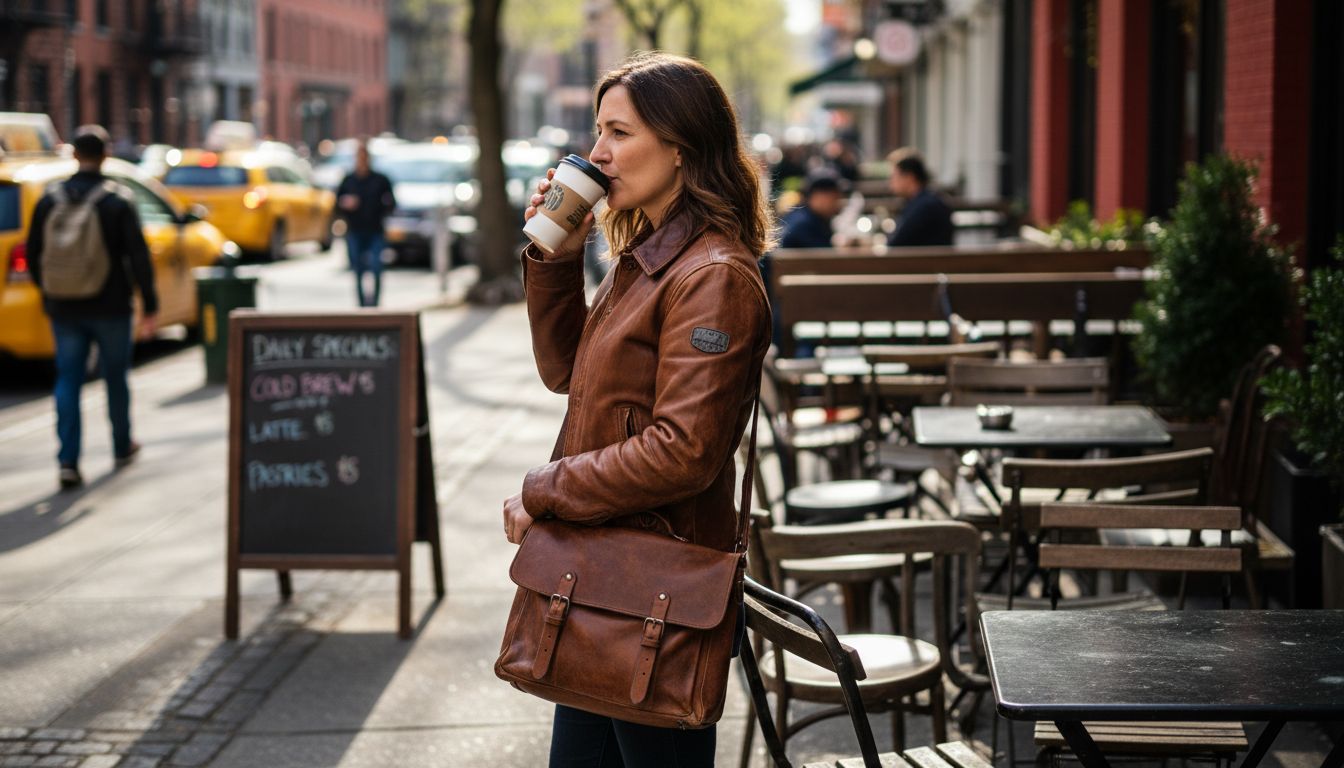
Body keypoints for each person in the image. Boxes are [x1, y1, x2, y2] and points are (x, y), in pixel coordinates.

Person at [507, 52, 772, 768]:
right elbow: (568, 371)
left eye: (619, 133)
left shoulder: (712, 276)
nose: (596, 153)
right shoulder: (646, 259)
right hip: (601, 582)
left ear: (679, 147)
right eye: (598, 131)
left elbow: (682, 450)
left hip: (656, 593)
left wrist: (544, 491)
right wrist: (555, 259)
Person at [26, 125, 158, 490]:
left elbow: (34, 253)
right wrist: (150, 304)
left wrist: (50, 292)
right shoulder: (117, 200)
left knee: (68, 379)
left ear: (73, 155)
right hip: (111, 305)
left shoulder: (49, 199)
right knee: (115, 377)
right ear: (106, 155)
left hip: (64, 307)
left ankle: (68, 460)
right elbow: (138, 257)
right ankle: (121, 445)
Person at [335, 141, 396, 306]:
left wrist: (380, 206)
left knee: (376, 267)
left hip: (375, 229)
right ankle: (361, 305)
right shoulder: (348, 180)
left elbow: (391, 203)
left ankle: (375, 303)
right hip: (354, 230)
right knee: (358, 270)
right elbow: (336, 204)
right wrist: (345, 204)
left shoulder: (380, 180)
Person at [886, 148, 954, 247]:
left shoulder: (924, 206)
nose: (891, 183)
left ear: (909, 177)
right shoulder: (924, 201)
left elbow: (896, 243)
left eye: (894, 177)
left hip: (925, 261)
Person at [778, 171, 846, 249]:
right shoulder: (803, 224)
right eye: (834, 198)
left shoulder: (807, 215)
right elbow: (824, 255)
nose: (837, 203)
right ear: (819, 197)